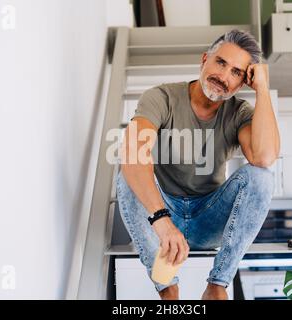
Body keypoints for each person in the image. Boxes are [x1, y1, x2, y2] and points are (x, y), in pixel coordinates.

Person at [116, 29, 280, 300]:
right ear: (205, 60)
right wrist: (162, 220)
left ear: (242, 83)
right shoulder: (162, 98)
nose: (224, 77)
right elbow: (133, 153)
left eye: (236, 73)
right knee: (126, 174)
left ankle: (218, 285)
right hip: (163, 213)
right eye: (221, 63)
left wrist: (262, 89)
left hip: (209, 217)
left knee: (261, 176)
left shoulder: (239, 112)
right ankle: (167, 288)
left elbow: (263, 157)